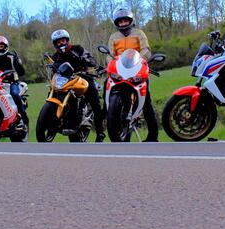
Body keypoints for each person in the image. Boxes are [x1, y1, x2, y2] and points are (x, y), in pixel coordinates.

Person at [106, 8, 159, 142]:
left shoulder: (139, 33)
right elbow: (109, 55)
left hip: (137, 70)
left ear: (130, 21)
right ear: (116, 23)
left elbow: (146, 49)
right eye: (120, 21)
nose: (123, 23)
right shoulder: (113, 37)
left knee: (146, 102)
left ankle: (153, 136)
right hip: (119, 71)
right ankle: (106, 114)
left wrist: (140, 61)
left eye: (125, 20)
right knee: (105, 88)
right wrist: (110, 65)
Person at [50, 29, 105, 142]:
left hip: (83, 77)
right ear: (55, 44)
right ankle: (55, 122)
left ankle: (100, 132)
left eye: (63, 40)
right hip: (66, 82)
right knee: (53, 94)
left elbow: (91, 60)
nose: (61, 43)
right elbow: (53, 70)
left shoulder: (77, 49)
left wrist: (86, 60)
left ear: (67, 40)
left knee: (95, 103)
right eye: (58, 42)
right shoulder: (56, 56)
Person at [0, 36, 28, 125]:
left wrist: (19, 63)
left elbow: (22, 72)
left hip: (12, 83)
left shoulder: (12, 57)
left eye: (1, 46)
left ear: (5, 46)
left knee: (14, 94)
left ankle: (23, 115)